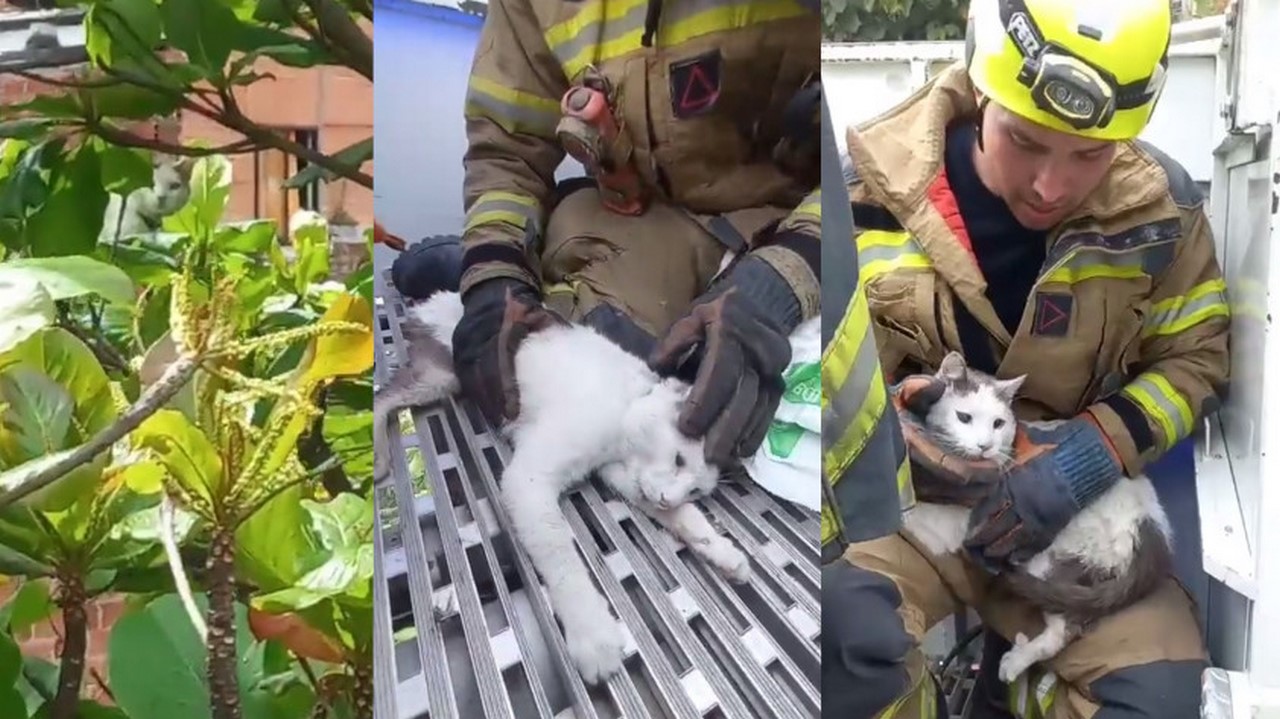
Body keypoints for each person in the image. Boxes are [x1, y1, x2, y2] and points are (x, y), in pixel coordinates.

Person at [829, 0, 1232, 716]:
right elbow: (823, 373)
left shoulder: (1162, 214)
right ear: (981, 87)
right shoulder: (860, 194)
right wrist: (903, 433)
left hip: (1076, 525)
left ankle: (1006, 687)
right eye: (1024, 141)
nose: (1051, 186)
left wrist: (1093, 453)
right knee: (842, 637)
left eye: (1090, 155)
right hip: (915, 514)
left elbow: (1196, 358)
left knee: (1159, 697)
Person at [392, 0, 823, 467]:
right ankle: (490, 259)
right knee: (598, 358)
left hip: (786, 223)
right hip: (630, 213)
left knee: (700, 378)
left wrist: (775, 287)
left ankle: (483, 262)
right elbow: (507, 152)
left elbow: (862, 171)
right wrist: (493, 273)